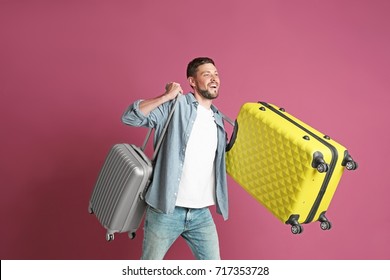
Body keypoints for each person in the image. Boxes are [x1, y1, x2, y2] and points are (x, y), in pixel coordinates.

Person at [121, 57, 229, 260]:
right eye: (207, 74)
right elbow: (130, 117)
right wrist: (165, 96)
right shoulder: (174, 106)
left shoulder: (219, 121)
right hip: (165, 210)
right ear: (192, 81)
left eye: (216, 74)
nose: (214, 78)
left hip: (201, 214)